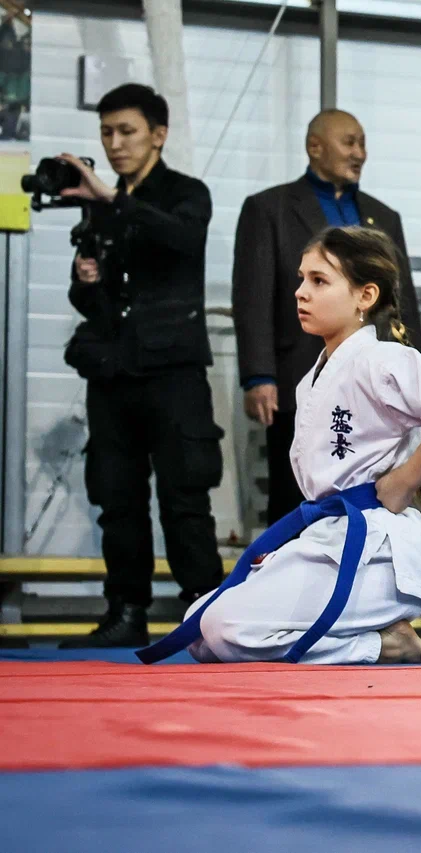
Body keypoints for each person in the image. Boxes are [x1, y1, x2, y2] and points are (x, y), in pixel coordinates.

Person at [143, 227, 421, 665]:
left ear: (365, 296)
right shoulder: (311, 378)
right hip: (327, 538)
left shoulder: (382, 359)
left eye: (319, 281)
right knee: (198, 626)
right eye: (302, 279)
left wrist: (405, 481)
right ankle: (374, 637)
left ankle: (385, 645)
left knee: (227, 630)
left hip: (377, 554)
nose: (300, 292)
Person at [57, 84, 224, 648]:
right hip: (113, 371)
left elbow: (181, 240)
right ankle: (125, 610)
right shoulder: (99, 205)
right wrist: (87, 283)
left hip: (173, 371)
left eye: (126, 131)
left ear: (159, 135)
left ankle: (204, 616)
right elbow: (90, 300)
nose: (115, 143)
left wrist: (112, 199)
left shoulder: (186, 194)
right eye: (106, 132)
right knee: (117, 498)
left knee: (185, 497)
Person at [233, 109, 421, 525]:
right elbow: (253, 296)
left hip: (375, 383)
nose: (360, 153)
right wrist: (258, 375)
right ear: (314, 147)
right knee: (295, 494)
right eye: (349, 142)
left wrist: (414, 371)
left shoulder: (383, 217)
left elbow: (402, 302)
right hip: (301, 370)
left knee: (374, 495)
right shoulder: (270, 208)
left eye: (363, 143)